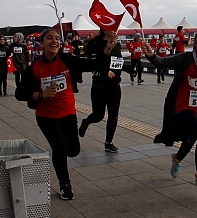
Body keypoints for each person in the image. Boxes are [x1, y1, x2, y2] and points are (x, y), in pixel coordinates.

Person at [15, 28, 99, 200]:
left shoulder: (67, 60)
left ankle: (64, 172)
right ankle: (65, 184)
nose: (54, 41)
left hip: (68, 113)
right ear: (42, 42)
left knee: (74, 151)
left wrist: (105, 48)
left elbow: (92, 64)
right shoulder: (34, 68)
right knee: (59, 149)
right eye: (49, 38)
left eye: (57, 38)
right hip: (46, 116)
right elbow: (19, 93)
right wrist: (40, 95)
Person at [142, 29, 197, 188]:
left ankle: (176, 159)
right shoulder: (186, 58)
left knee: (190, 140)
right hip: (184, 107)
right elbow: (163, 63)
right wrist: (151, 55)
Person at [78, 30, 136, 152]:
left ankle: (108, 142)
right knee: (98, 116)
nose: (115, 31)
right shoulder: (97, 45)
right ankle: (86, 122)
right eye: (112, 29)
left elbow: (117, 63)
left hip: (114, 86)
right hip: (99, 86)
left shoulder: (117, 45)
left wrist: (129, 70)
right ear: (105, 31)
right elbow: (93, 64)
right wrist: (104, 72)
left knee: (113, 116)